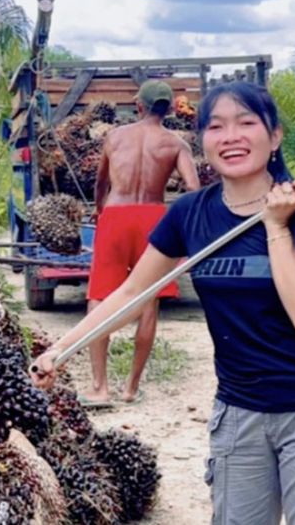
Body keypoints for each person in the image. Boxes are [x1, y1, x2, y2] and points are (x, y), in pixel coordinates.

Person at [32, 81, 295, 524]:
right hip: (239, 413)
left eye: (246, 123)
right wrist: (60, 350)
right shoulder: (189, 214)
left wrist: (277, 225)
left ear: (275, 136)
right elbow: (134, 291)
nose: (231, 136)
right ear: (202, 140)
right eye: (216, 126)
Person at [81, 79, 200, 406]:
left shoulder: (114, 137)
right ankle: (131, 388)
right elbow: (193, 188)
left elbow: (101, 182)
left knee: (100, 297)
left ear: (139, 106)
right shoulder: (176, 144)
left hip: (116, 216)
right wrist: (184, 226)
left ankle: (99, 387)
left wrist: (101, 212)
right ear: (170, 110)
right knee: (149, 299)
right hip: (154, 217)